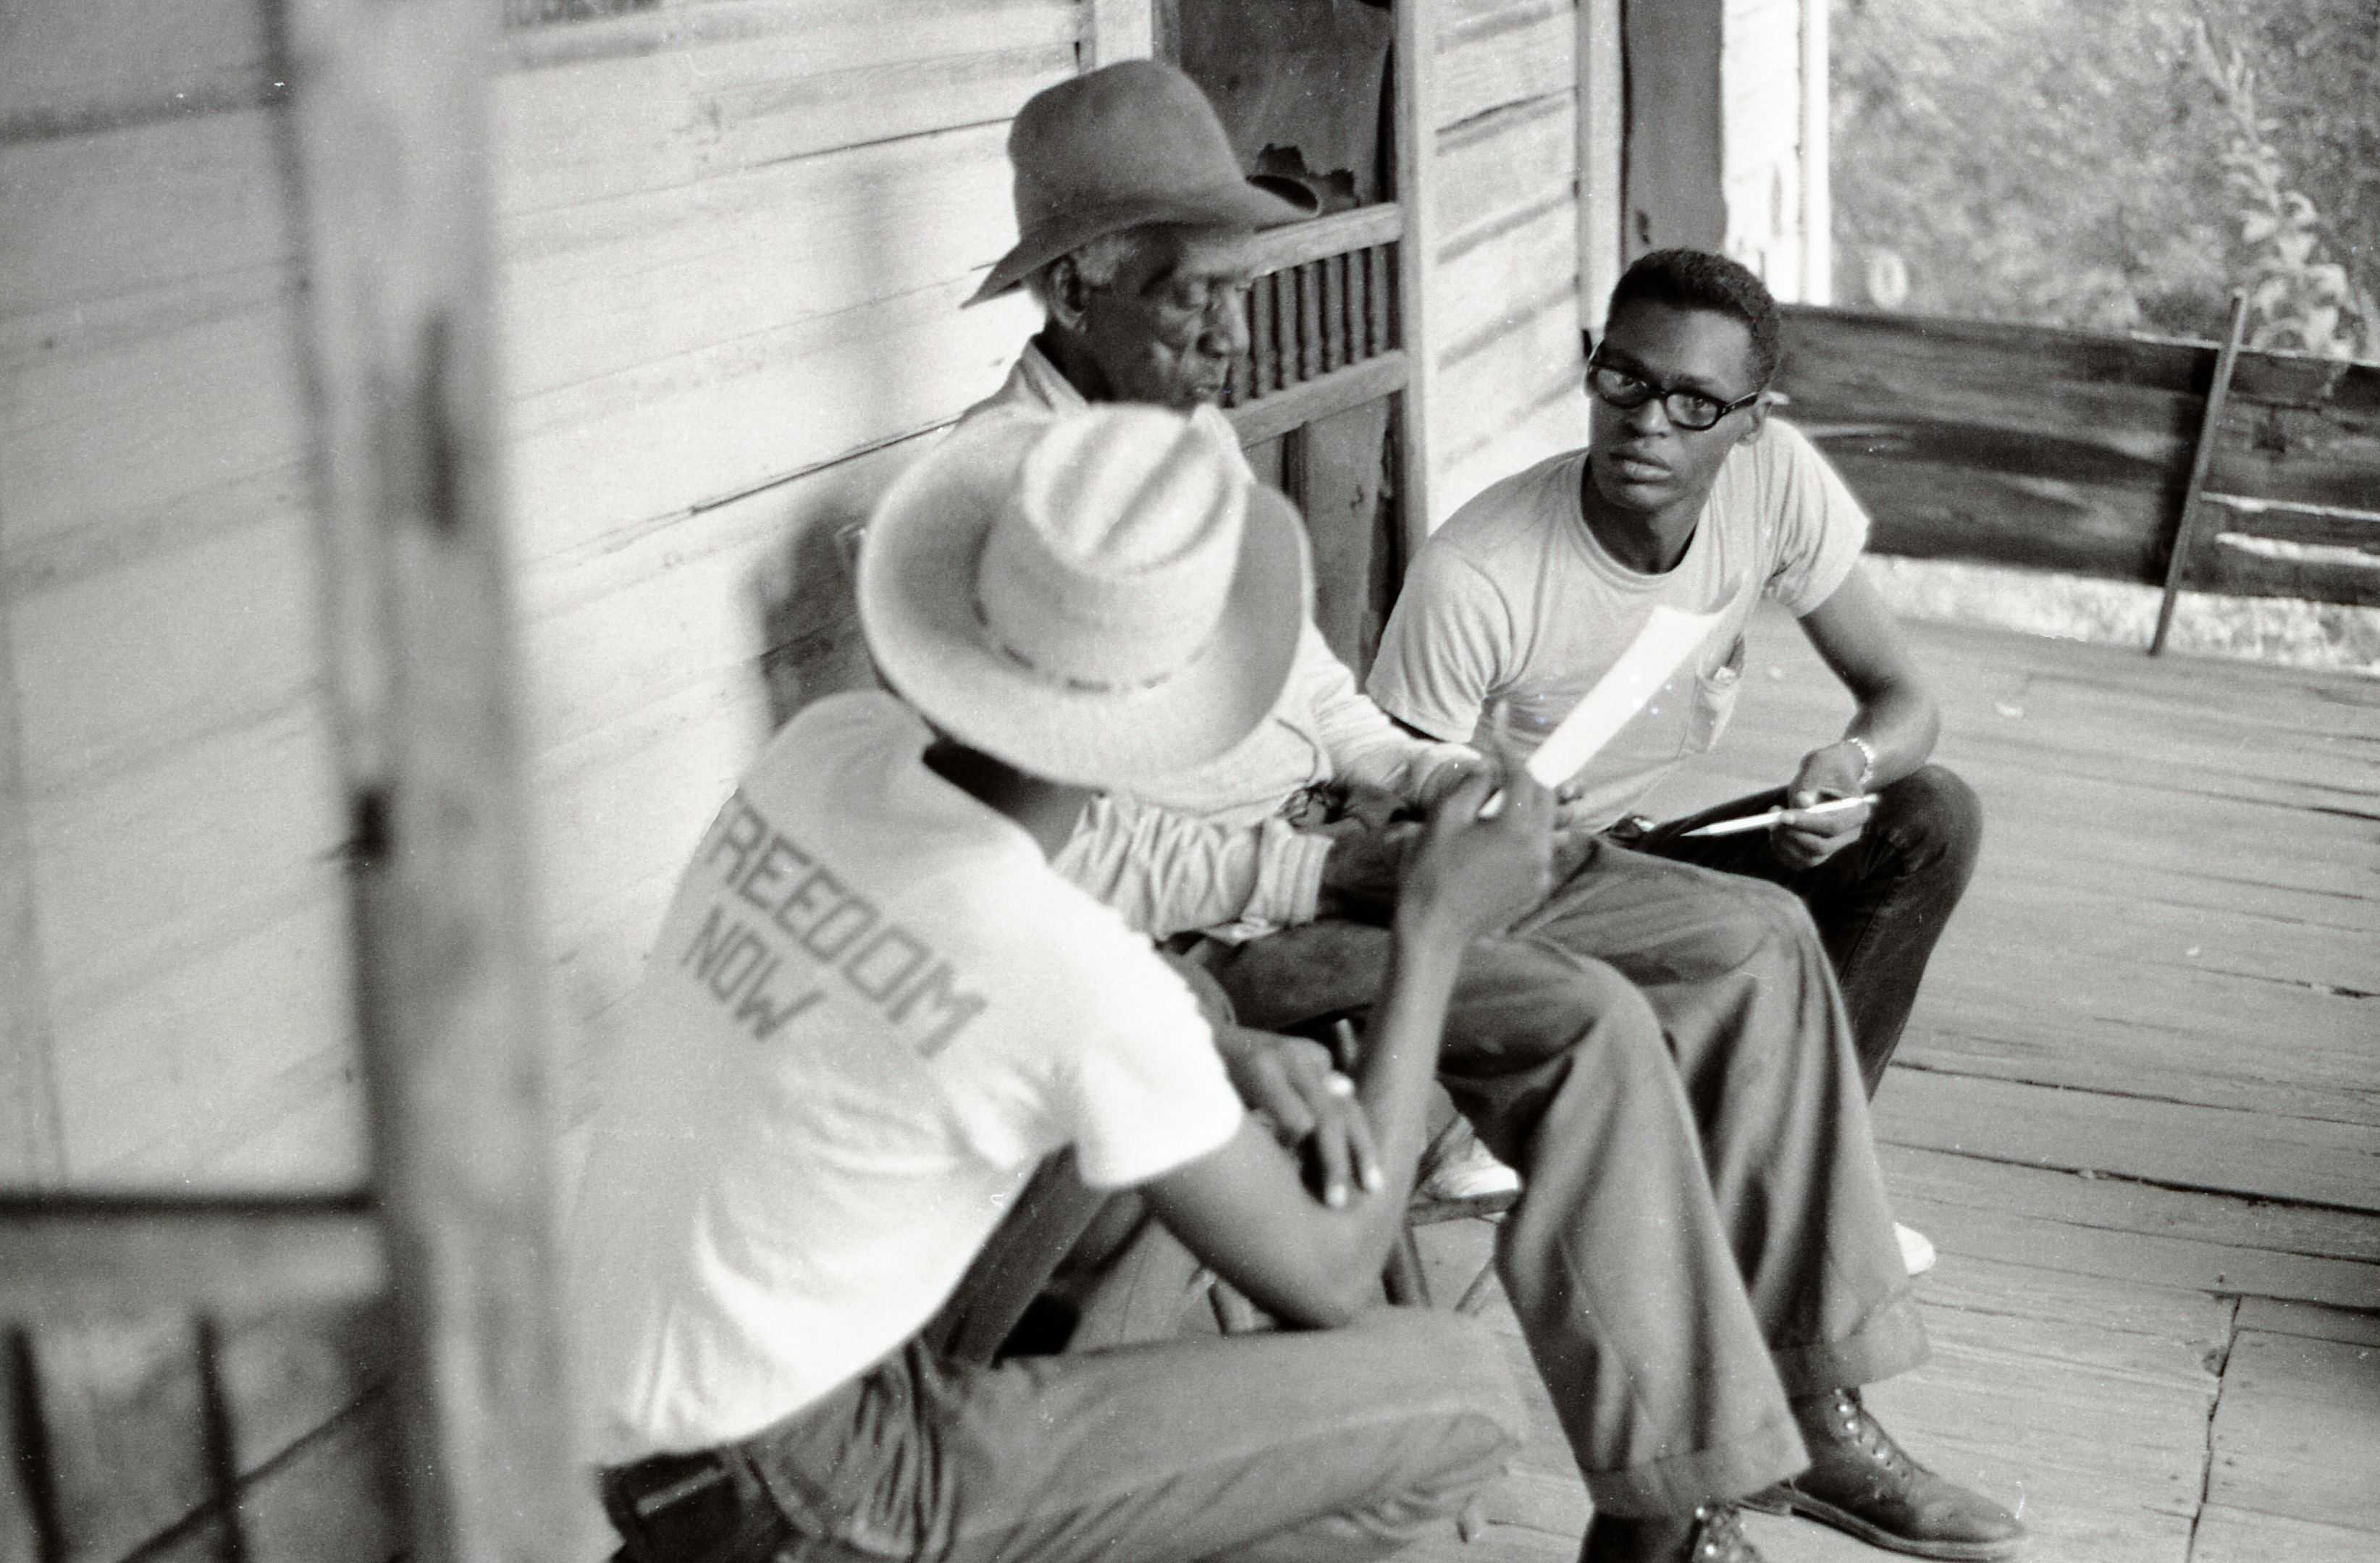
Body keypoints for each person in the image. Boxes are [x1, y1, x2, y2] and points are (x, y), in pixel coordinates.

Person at [944, 62, 2027, 1563]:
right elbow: (1067, 843)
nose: (1231, 335)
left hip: (1362, 840)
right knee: (1587, 1016)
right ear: (1074, 287)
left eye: (1239, 292)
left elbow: (1312, 694)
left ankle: (1805, 1408)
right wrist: (1331, 853)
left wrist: (1435, 774)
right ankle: (1668, 1508)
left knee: (1761, 931)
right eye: (1193, 296)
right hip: (1246, 925)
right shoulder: (1006, 509)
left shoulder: (1173, 428)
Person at [568, 407, 1555, 1563]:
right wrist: (1431, 925)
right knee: (1463, 1393)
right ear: (1170, 723)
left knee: (1174, 1088)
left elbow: (956, 964)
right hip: (813, 1477)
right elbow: (1334, 1274)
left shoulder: (823, 749)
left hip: (632, 1420)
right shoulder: (1063, 973)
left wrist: (1225, 1052)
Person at [1368, 248, 1983, 1119]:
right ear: (1593, 373)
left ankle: (1806, 1152)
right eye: (1622, 380)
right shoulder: (1478, 572)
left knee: (1929, 815)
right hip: (1507, 905)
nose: (1646, 422)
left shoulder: (1773, 482)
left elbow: (1901, 697)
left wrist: (1849, 764)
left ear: (1750, 423)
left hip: (1631, 857)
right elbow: (1383, 831)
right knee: (1746, 943)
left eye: (1694, 403)